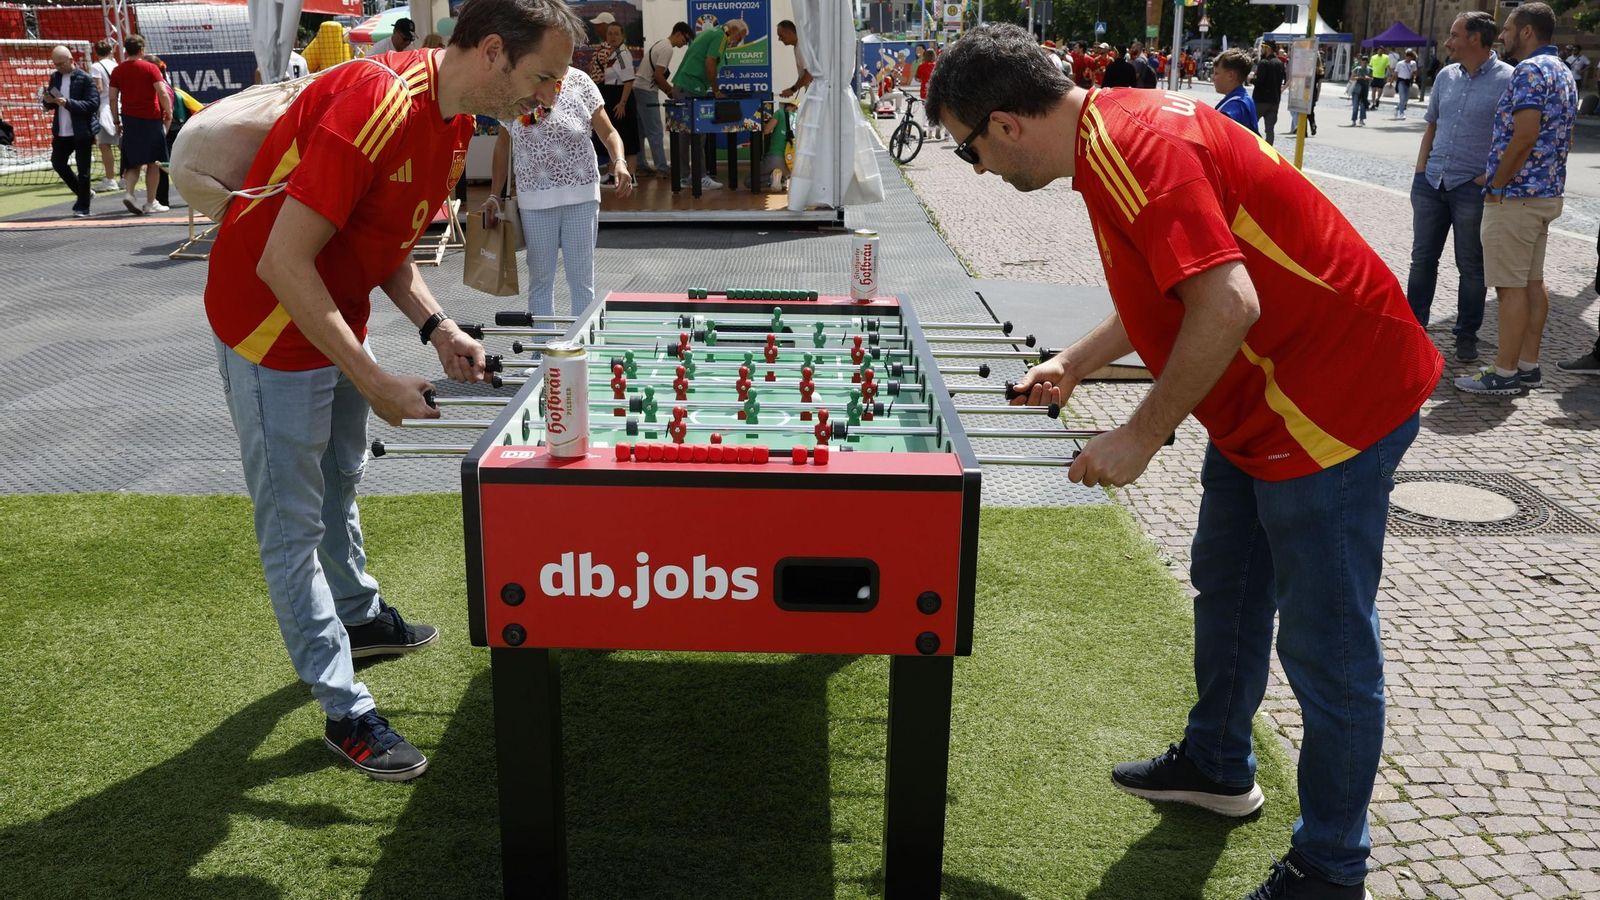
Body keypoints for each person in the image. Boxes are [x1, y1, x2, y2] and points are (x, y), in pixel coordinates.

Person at [926, 25, 1440, 899]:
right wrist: (1076, 363)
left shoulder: (1133, 147)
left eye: (967, 147)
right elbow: (1170, 278)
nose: (976, 169)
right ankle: (1215, 763)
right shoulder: (1108, 131)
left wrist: (1140, 432)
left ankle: (1330, 868)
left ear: (1006, 124)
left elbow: (1226, 301)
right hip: (1264, 403)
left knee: (1329, 649)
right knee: (1228, 585)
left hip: (1333, 405)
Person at [205, 0, 583, 782]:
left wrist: (438, 327)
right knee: (291, 524)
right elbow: (282, 261)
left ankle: (359, 614)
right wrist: (372, 377)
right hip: (270, 326)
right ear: (491, 53)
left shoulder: (452, 124)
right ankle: (344, 709)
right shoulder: (377, 105)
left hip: (329, 311)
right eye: (541, 78)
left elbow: (386, 246)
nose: (545, 99)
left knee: (344, 473)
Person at [1455, 2, 1578, 396]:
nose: (1502, 35)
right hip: (1545, 194)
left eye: (1508, 28)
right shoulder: (1563, 70)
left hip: (1517, 196)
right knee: (1531, 283)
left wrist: (1496, 184)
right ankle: (1527, 365)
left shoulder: (1529, 70)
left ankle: (1503, 372)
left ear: (1527, 32)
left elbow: (1525, 133)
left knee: (1508, 287)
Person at [1406, 11, 1512, 363]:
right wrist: (1420, 172)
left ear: (1476, 40)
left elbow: (1516, 136)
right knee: (1422, 259)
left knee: (1471, 266)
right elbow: (1432, 126)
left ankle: (1466, 335)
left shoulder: (1508, 80)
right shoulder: (1445, 76)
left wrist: (1488, 177)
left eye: (1454, 35)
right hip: (1431, 182)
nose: (1448, 42)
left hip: (1472, 187)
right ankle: (1413, 327)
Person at [487, 64, 631, 321]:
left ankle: (583, 348)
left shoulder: (580, 81)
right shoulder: (516, 82)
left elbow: (607, 131)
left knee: (581, 280)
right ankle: (542, 349)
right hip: (534, 198)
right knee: (540, 280)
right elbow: (502, 144)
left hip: (582, 195)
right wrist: (493, 194)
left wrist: (619, 161)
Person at [671, 18, 749, 191]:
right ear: (734, 30)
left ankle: (685, 177)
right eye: (740, 37)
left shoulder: (711, 33)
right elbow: (710, 62)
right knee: (698, 135)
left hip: (684, 86)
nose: (738, 42)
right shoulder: (721, 35)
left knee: (684, 136)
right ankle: (699, 177)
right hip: (691, 87)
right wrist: (716, 91)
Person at [108, 34, 171, 216]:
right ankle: (151, 202)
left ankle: (129, 193)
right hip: (151, 119)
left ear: (126, 50)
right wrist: (169, 111)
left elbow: (112, 98)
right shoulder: (151, 68)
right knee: (154, 162)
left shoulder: (118, 71)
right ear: (142, 49)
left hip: (129, 120)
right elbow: (162, 92)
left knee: (133, 163)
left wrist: (116, 121)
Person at [43, 45, 98, 218]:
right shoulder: (55, 77)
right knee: (58, 163)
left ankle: (83, 206)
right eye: (55, 64)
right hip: (62, 131)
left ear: (71, 60)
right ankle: (84, 193)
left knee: (84, 171)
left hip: (82, 131)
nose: (58, 67)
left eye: (61, 63)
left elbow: (92, 104)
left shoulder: (86, 78)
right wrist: (47, 101)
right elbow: (54, 102)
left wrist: (67, 102)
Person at [634, 21, 691, 177]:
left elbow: (655, 75)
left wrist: (667, 91)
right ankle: (662, 169)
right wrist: (671, 92)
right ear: (678, 33)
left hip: (638, 88)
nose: (684, 44)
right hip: (646, 90)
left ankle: (640, 165)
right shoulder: (667, 49)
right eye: (684, 40)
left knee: (640, 131)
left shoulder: (660, 44)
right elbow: (658, 76)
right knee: (655, 132)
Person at [588, 17, 637, 180]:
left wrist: (622, 103)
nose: (613, 37)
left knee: (626, 137)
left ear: (623, 36)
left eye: (616, 34)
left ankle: (630, 176)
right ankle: (612, 173)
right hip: (614, 97)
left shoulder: (622, 55)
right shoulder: (613, 53)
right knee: (616, 134)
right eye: (610, 34)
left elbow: (629, 81)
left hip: (621, 99)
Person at [89, 39, 119, 192]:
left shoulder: (95, 66)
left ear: (96, 53)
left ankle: (110, 179)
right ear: (111, 51)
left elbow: (98, 88)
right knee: (123, 144)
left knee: (104, 145)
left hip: (105, 109)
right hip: (119, 107)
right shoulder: (116, 65)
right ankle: (127, 177)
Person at [1210, 49, 1258, 134]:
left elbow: (1217, 132)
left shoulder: (1236, 105)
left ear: (1231, 76)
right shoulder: (1242, 98)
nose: (1213, 78)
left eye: (1216, 73)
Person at [1252, 42, 1286, 143]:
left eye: (1263, 47)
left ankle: (1256, 145)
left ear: (1268, 49)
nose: (1262, 49)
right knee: (1270, 129)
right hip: (1274, 101)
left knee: (1251, 125)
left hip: (1261, 101)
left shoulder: (1263, 63)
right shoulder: (1280, 63)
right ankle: (1269, 150)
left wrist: (1251, 80)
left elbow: (1260, 81)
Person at [777, 19, 812, 98]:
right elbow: (803, 74)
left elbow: (809, 73)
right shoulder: (798, 46)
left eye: (780, 35)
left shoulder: (802, 47)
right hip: (813, 92)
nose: (779, 39)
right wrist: (793, 88)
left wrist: (793, 89)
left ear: (789, 32)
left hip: (816, 93)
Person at [1393, 50, 1418, 119]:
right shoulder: (1400, 63)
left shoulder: (1413, 63)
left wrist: (1414, 77)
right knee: (1402, 97)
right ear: (1406, 56)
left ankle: (1397, 107)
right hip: (1401, 81)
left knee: (1406, 98)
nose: (1410, 59)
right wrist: (1391, 81)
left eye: (1411, 57)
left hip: (1408, 81)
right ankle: (1402, 113)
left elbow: (1415, 72)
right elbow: (1395, 73)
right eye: (1409, 57)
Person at [1347, 55, 1371, 126]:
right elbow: (1351, 78)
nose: (1364, 63)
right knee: (1355, 106)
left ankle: (1361, 119)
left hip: (1364, 89)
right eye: (1363, 62)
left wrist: (1368, 78)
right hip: (1356, 89)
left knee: (1363, 105)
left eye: (1366, 62)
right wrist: (1359, 77)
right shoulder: (1357, 68)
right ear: (1361, 62)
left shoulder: (1369, 69)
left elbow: (1372, 78)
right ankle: (1354, 120)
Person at [1368, 45, 1389, 109]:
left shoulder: (1386, 57)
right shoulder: (1373, 57)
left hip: (1381, 76)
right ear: (1377, 51)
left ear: (1383, 51)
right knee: (1373, 90)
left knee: (1380, 91)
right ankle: (1373, 103)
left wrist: (1390, 74)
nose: (1380, 51)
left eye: (1382, 50)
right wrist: (1369, 74)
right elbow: (1370, 66)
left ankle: (1377, 99)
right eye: (1379, 50)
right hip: (1374, 76)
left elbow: (1388, 66)